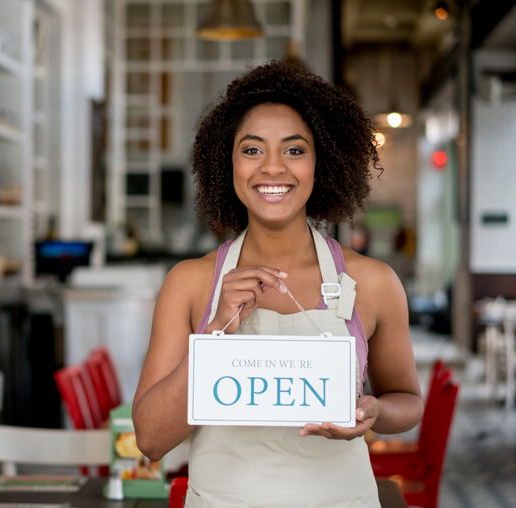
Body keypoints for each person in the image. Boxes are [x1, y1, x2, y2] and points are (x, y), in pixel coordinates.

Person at [133, 60, 423, 508]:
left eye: (293, 150)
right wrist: (214, 333)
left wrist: (375, 411)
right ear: (227, 163)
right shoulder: (190, 284)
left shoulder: (373, 282)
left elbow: (407, 400)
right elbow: (151, 439)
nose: (272, 168)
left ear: (319, 163)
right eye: (251, 150)